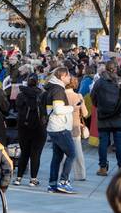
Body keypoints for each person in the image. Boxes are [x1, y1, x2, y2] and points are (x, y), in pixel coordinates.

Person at [92, 62, 121, 176]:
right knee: (119, 143)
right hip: (118, 117)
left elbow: (93, 97)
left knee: (103, 143)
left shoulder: (99, 82)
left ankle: (103, 167)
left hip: (103, 116)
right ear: (116, 69)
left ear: (106, 69)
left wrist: (99, 106)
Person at [44, 66, 78, 194]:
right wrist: (72, 108)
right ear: (62, 76)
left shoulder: (54, 87)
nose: (70, 78)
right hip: (59, 127)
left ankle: (52, 184)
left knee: (57, 157)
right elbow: (58, 110)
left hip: (54, 127)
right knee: (72, 153)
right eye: (68, 75)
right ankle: (63, 182)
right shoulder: (58, 89)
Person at [14, 75, 46, 186]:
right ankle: (33, 179)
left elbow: (16, 108)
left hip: (24, 127)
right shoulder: (42, 95)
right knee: (35, 154)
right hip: (38, 128)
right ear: (37, 83)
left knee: (24, 153)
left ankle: (18, 178)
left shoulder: (20, 95)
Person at [67, 74, 90, 181]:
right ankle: (80, 174)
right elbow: (85, 114)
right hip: (75, 127)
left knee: (61, 153)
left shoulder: (60, 95)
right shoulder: (78, 96)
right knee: (78, 152)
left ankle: (60, 173)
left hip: (62, 127)